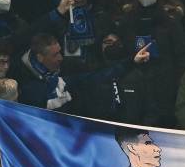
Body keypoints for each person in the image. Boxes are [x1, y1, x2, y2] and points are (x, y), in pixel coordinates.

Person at [18, 33, 151, 112]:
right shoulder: (22, 80)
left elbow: (98, 77)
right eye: (55, 55)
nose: (61, 58)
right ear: (40, 57)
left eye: (60, 52)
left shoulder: (68, 69)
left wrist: (132, 61)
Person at [118, 0, 185, 126]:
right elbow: (122, 51)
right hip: (134, 81)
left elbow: (180, 56)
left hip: (163, 85)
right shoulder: (127, 21)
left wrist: (177, 83)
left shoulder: (170, 22)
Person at [73, 33, 159, 126]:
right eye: (108, 42)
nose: (112, 46)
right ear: (101, 46)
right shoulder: (94, 74)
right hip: (101, 133)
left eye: (116, 43)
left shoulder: (136, 75)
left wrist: (142, 134)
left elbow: (150, 110)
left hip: (132, 134)